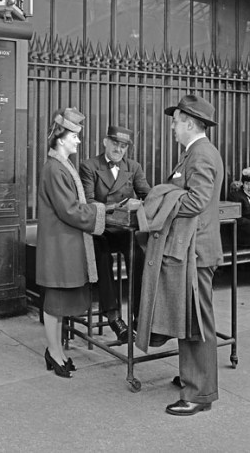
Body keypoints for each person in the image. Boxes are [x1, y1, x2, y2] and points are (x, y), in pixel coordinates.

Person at [140, 94, 223, 417]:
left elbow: (196, 200)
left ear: (189, 123)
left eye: (175, 122)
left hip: (196, 251)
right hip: (194, 248)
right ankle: (193, 378)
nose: (172, 127)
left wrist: (163, 201)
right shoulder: (196, 152)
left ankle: (200, 393)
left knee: (197, 323)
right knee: (191, 319)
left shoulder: (199, 154)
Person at [36, 107, 108, 378]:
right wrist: (101, 210)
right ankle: (54, 352)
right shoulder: (55, 168)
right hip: (59, 246)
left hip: (62, 244)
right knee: (55, 303)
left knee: (59, 302)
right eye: (74, 136)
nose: (78, 141)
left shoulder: (60, 165)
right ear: (61, 138)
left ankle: (56, 351)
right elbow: (69, 210)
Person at [79, 125, 150, 343]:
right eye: (115, 144)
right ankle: (114, 317)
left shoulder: (134, 167)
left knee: (139, 255)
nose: (118, 149)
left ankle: (140, 317)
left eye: (123, 146)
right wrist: (116, 207)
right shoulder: (89, 166)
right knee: (102, 257)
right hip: (100, 229)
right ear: (105, 142)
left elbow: (147, 194)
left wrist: (142, 203)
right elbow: (89, 202)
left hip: (123, 230)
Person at [228, 168, 250, 245]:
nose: (249, 187)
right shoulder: (235, 196)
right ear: (242, 184)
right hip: (244, 234)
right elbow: (237, 218)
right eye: (247, 184)